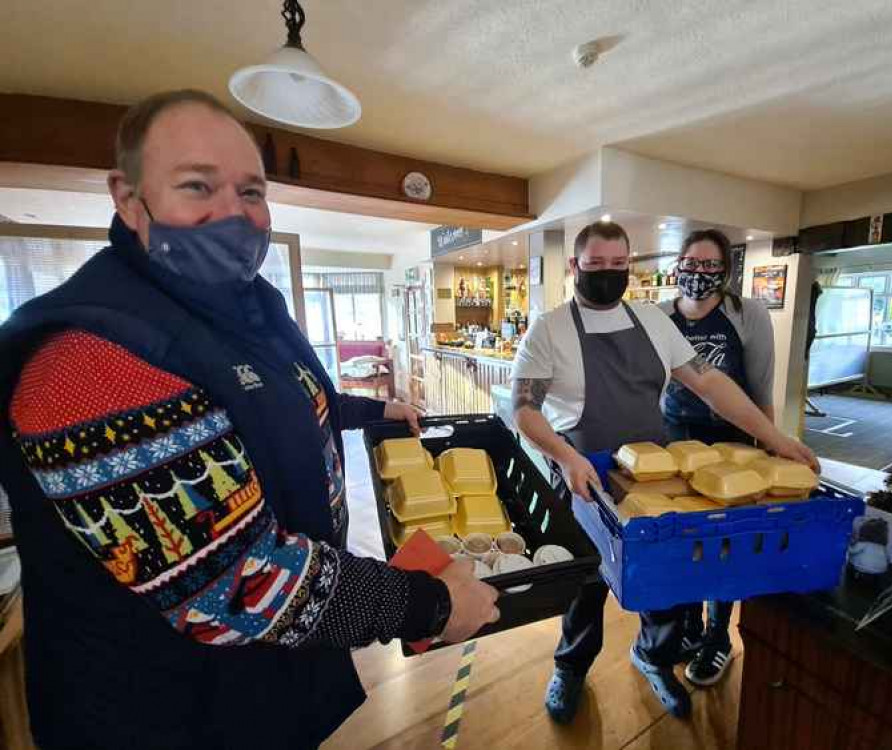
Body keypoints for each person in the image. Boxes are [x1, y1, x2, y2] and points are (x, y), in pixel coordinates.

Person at [0, 90, 499, 750]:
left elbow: (282, 401)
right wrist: (428, 603)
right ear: (128, 198)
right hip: (162, 709)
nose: (233, 214)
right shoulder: (89, 361)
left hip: (265, 677)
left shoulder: (240, 307)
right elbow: (236, 584)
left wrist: (377, 408)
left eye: (251, 191)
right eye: (197, 185)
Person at [511, 221, 817, 725]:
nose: (608, 274)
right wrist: (565, 457)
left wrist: (777, 438)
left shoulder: (654, 323)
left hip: (652, 476)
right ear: (574, 266)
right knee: (585, 585)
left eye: (618, 265)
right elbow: (525, 409)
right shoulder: (550, 328)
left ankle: (653, 658)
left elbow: (710, 383)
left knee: (664, 581)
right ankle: (571, 667)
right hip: (583, 475)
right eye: (596, 264)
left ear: (629, 266)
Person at [659, 228, 776, 688]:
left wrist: (769, 443)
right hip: (676, 436)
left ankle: (718, 637)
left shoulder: (748, 314)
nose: (699, 273)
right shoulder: (660, 315)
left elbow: (762, 385)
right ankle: (688, 626)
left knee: (725, 540)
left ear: (726, 271)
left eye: (710, 266)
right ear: (678, 264)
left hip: (733, 438)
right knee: (685, 533)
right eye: (691, 262)